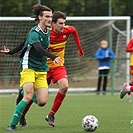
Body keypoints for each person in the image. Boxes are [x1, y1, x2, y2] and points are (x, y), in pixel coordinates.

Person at [8, 11, 84, 128]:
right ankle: (21, 116)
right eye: (60, 23)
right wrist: (12, 51)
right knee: (32, 97)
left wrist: (79, 48)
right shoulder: (45, 33)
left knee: (64, 87)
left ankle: (51, 115)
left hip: (57, 66)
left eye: (64, 23)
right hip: (44, 67)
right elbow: (32, 44)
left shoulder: (66, 30)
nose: (63, 26)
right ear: (53, 24)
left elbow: (74, 31)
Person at [1, 4, 61, 131]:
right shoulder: (34, 32)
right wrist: (53, 56)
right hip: (28, 66)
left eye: (51, 16)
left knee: (42, 102)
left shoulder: (47, 32)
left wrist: (11, 51)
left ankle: (22, 91)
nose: (50, 19)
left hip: (41, 68)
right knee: (28, 96)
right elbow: (38, 48)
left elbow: (24, 42)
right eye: (47, 16)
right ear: (40, 17)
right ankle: (12, 125)